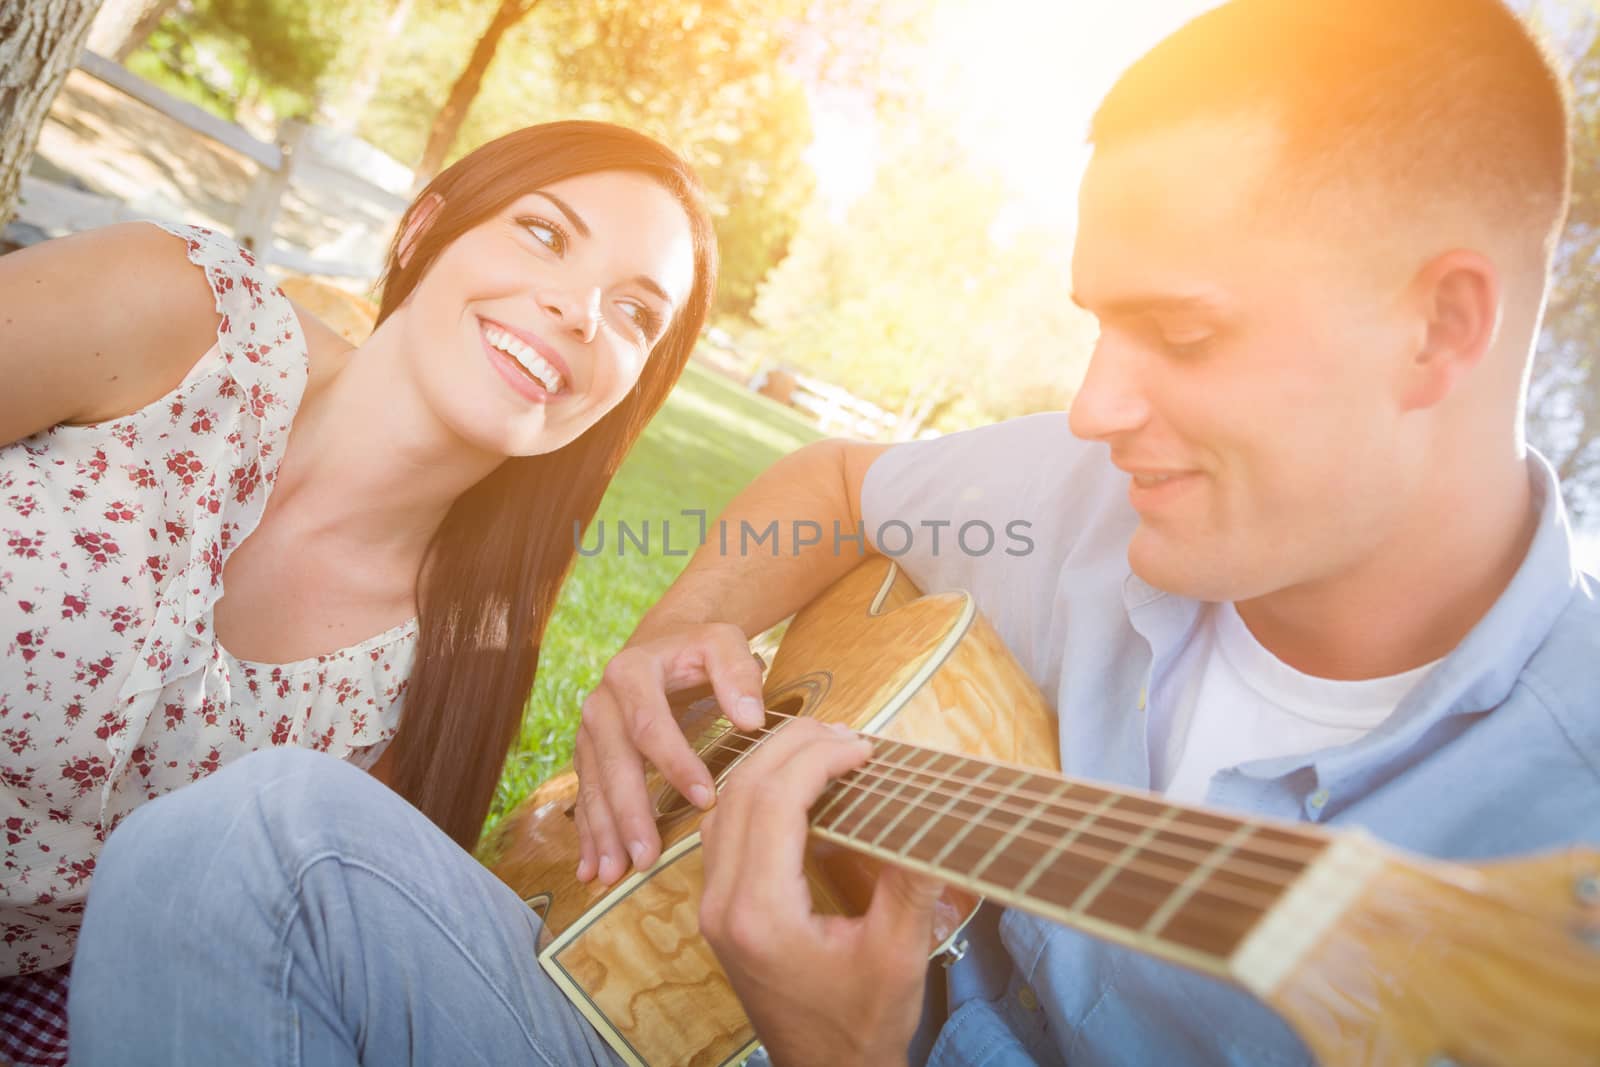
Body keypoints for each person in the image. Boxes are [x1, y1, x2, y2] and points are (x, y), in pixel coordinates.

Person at [64, 0, 1600, 1063]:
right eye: (1097, 327)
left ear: (1438, 328)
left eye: (1180, 334)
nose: (1089, 407)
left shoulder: (1558, 831)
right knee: (250, 839)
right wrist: (669, 655)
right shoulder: (1101, 492)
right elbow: (840, 484)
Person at [0, 120, 716, 1064]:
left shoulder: (446, 677)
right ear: (427, 228)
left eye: (633, 313)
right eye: (545, 232)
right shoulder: (176, 311)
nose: (581, 310)